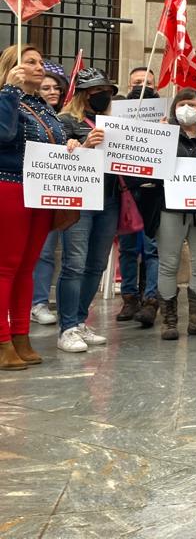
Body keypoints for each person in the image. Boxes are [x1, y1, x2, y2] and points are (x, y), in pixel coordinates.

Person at [0, 45, 79, 369]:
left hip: (41, 192)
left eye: (39, 62)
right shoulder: (7, 99)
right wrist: (8, 91)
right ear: (12, 67)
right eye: (29, 62)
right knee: (6, 266)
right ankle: (2, 339)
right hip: (10, 186)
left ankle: (21, 334)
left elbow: (54, 143)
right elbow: (3, 134)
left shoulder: (43, 107)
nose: (38, 66)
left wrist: (76, 145)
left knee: (27, 267)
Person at [55, 67, 117, 353]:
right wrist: (82, 146)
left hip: (109, 199)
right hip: (80, 202)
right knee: (74, 263)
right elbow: (56, 161)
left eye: (105, 92)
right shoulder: (66, 121)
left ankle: (79, 321)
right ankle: (67, 328)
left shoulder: (115, 123)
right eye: (95, 92)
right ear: (83, 95)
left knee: (96, 264)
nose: (102, 96)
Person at [155, 88, 196, 340]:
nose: (186, 109)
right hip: (170, 210)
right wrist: (159, 137)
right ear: (173, 108)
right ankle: (169, 321)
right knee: (169, 264)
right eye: (181, 104)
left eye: (191, 104)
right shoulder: (164, 135)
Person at [115, 82, 162, 328]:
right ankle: (130, 297)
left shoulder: (164, 128)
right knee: (128, 249)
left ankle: (151, 300)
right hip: (128, 194)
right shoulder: (118, 130)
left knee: (152, 249)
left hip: (154, 194)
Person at [29, 68, 68, 326]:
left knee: (64, 252)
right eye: (46, 88)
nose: (52, 92)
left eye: (56, 88)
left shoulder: (66, 117)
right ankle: (38, 303)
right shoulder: (30, 115)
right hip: (39, 187)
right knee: (42, 250)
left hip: (66, 188)